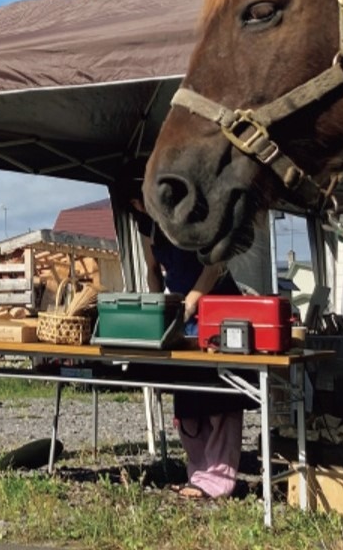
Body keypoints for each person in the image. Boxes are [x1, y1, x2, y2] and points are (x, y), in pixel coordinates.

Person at [128, 186, 246, 500]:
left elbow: (215, 264)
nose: (140, 206)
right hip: (181, 311)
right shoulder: (147, 225)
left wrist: (192, 302)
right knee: (188, 396)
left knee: (219, 398)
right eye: (135, 203)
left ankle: (220, 482)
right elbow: (154, 271)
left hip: (217, 306)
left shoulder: (193, 215)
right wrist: (156, 311)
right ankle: (199, 474)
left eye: (142, 199)